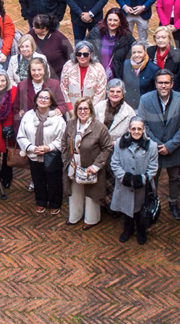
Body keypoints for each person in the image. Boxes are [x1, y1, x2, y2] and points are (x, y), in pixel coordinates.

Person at [137, 69, 180, 220]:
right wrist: (158, 145)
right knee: (153, 177)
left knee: (175, 178)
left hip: (174, 149)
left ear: (172, 84)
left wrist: (170, 146)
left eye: (166, 82)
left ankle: (174, 203)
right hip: (154, 149)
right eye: (160, 83)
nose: (163, 86)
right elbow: (143, 124)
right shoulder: (145, 99)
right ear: (155, 84)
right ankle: (154, 203)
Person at [61, 97, 114, 228]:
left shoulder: (99, 127)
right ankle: (74, 217)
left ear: (91, 110)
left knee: (91, 193)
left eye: (86, 108)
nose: (83, 111)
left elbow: (107, 148)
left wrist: (96, 165)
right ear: (76, 110)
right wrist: (66, 159)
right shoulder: (71, 124)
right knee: (75, 192)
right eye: (80, 108)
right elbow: (63, 143)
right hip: (74, 166)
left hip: (91, 167)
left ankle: (91, 219)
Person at [18, 89, 67, 215]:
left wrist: (48, 147)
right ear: (36, 99)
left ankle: (55, 203)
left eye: (46, 98)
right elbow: (21, 136)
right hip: (34, 155)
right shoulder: (28, 116)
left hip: (52, 155)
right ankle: (41, 202)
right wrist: (31, 148)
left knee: (54, 181)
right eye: (41, 97)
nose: (43, 100)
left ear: (51, 101)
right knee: (38, 180)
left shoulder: (57, 119)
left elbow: (62, 138)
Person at [111, 116, 159, 244]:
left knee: (140, 210)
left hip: (142, 188)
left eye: (139, 128)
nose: (136, 131)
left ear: (144, 130)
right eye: (133, 128)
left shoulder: (152, 146)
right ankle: (128, 230)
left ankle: (141, 231)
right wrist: (125, 178)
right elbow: (114, 164)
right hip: (124, 186)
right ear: (129, 129)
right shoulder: (119, 144)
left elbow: (153, 167)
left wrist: (141, 179)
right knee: (127, 210)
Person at [94, 78, 136, 211]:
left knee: (115, 180)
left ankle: (115, 206)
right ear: (107, 92)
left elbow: (132, 135)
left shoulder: (129, 112)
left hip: (118, 151)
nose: (115, 94)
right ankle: (101, 204)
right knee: (101, 178)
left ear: (123, 93)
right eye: (112, 91)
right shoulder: (98, 107)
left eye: (118, 91)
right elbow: (91, 126)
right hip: (99, 150)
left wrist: (115, 143)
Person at [14, 58, 68, 124]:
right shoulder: (22, 86)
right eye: (33, 70)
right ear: (30, 71)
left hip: (50, 123)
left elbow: (62, 105)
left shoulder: (54, 84)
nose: (36, 73)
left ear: (44, 70)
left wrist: (59, 110)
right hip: (30, 124)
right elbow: (16, 109)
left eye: (39, 70)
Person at [87, 7, 134, 82]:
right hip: (97, 76)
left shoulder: (127, 36)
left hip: (117, 77)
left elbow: (134, 52)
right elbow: (85, 47)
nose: (112, 23)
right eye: (110, 20)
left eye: (115, 20)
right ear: (106, 20)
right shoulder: (96, 32)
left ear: (120, 21)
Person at [60, 40, 107, 110]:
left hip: (93, 110)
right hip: (71, 109)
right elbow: (63, 88)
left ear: (91, 55)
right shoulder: (68, 66)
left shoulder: (99, 69)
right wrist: (70, 109)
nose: (82, 57)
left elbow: (101, 92)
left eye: (85, 54)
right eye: (79, 54)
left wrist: (90, 110)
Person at [30, 13, 73, 80]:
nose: (33, 28)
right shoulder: (31, 34)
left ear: (44, 29)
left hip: (56, 77)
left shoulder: (59, 38)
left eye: (36, 27)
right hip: (36, 76)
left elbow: (70, 54)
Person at [121, 42, 159, 109]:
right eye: (134, 52)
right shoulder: (125, 65)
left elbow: (155, 91)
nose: (137, 55)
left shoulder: (154, 69)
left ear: (145, 52)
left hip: (145, 107)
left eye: (139, 52)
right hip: (127, 106)